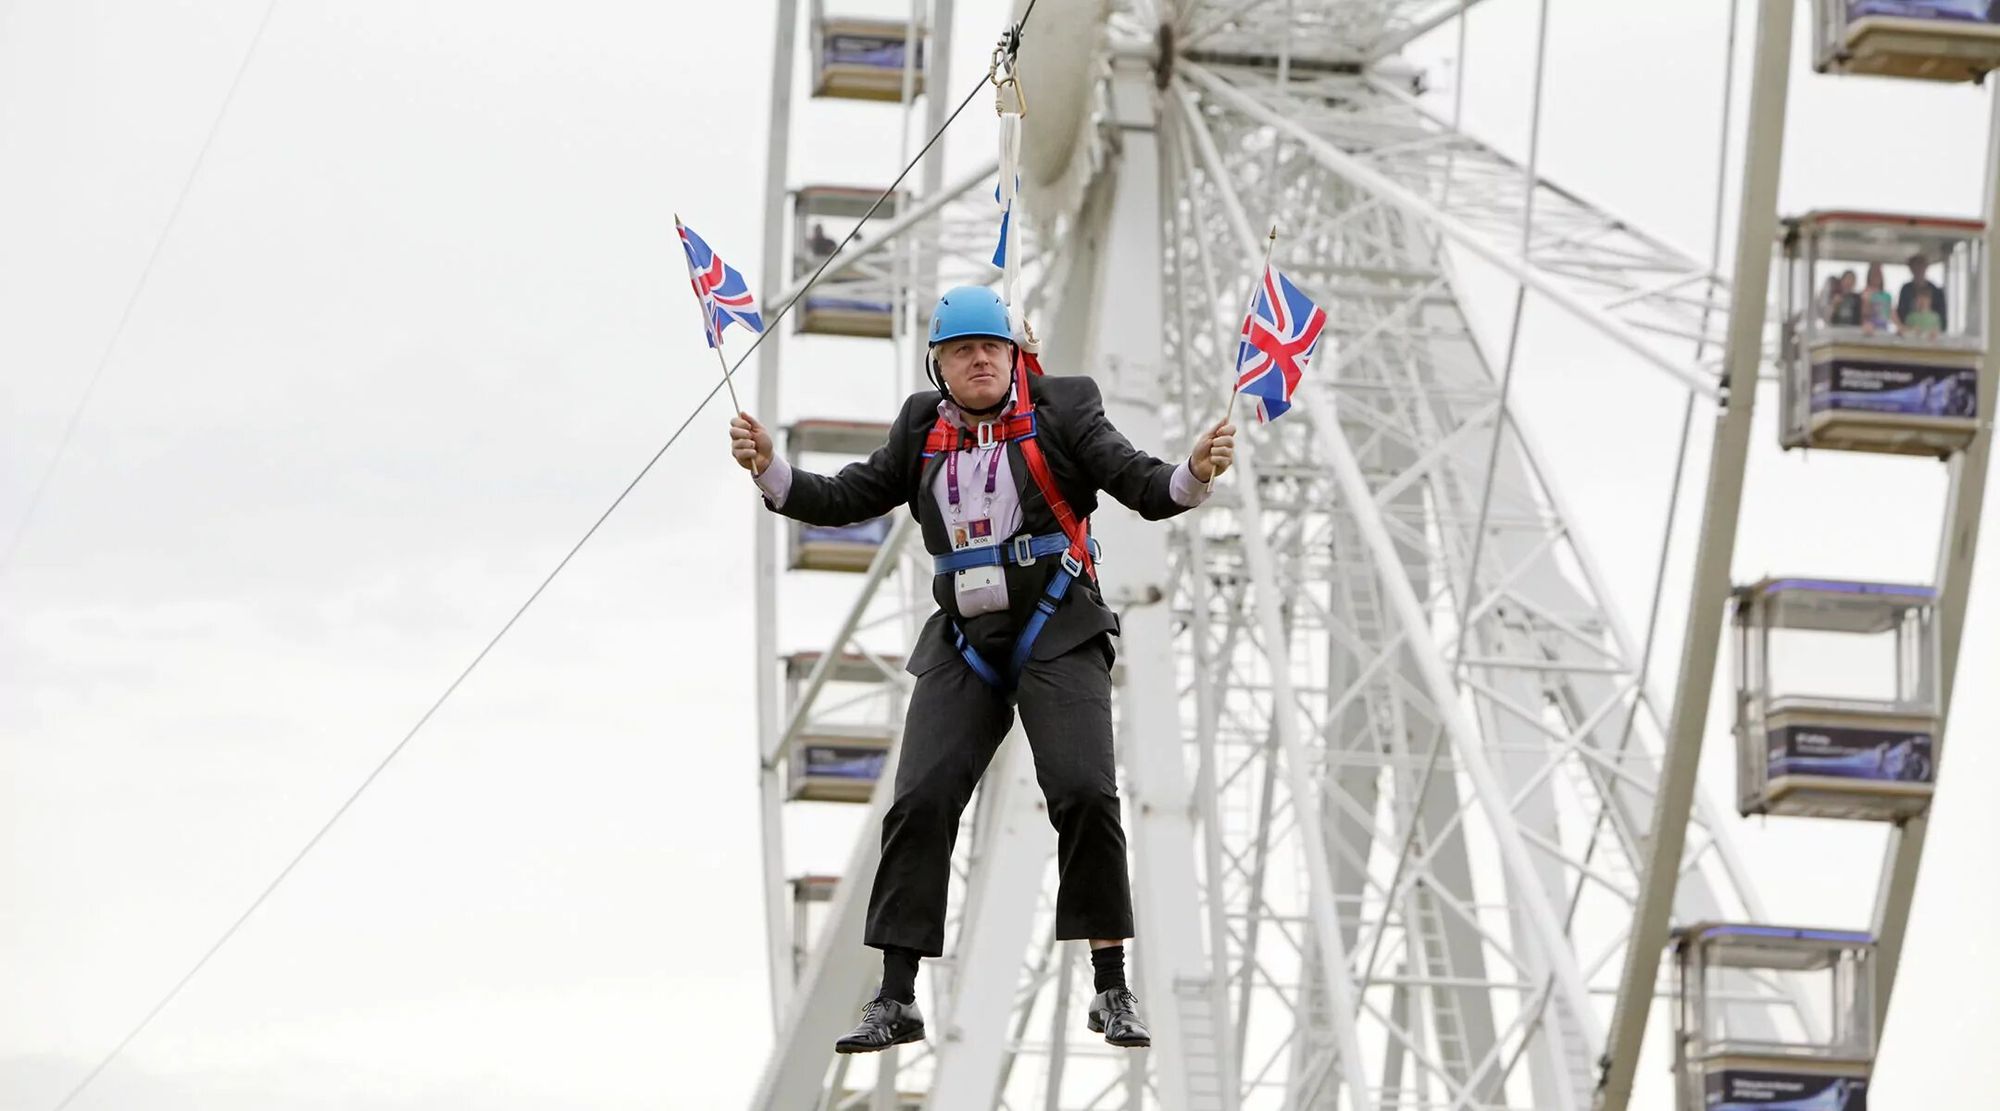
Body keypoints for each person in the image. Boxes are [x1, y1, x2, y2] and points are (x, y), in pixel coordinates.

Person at [728, 285, 1236, 1055]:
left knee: (1085, 791)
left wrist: (1192, 473)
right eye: (964, 351)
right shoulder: (919, 429)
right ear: (938, 365)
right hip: (965, 639)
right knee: (921, 798)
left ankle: (1110, 985)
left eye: (993, 348)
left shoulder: (1065, 408)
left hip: (1057, 627)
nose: (980, 361)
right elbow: (845, 496)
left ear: (1014, 354)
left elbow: (1138, 482)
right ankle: (895, 997)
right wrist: (771, 470)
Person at [1898, 253, 1948, 334]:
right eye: (1915, 266)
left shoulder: (1936, 291)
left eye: (1921, 265)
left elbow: (1942, 321)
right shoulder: (1905, 289)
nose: (1918, 269)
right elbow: (1901, 313)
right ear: (1911, 268)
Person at [1862, 263, 1895, 335]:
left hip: (1884, 329)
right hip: (1869, 329)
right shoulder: (1865, 293)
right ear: (1869, 276)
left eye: (1879, 274)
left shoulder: (1887, 296)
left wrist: (1899, 326)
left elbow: (1892, 313)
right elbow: (1864, 313)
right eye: (1874, 274)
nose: (1876, 276)